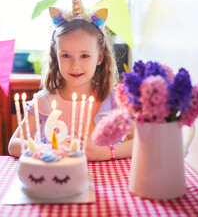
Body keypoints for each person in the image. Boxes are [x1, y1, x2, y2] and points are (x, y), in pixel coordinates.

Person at [8, 10, 133, 161]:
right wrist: (48, 148)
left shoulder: (113, 102)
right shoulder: (44, 101)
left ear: (99, 57)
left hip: (104, 181)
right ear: (56, 55)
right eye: (66, 55)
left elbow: (137, 142)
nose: (75, 66)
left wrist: (103, 153)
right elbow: (14, 144)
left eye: (84, 56)